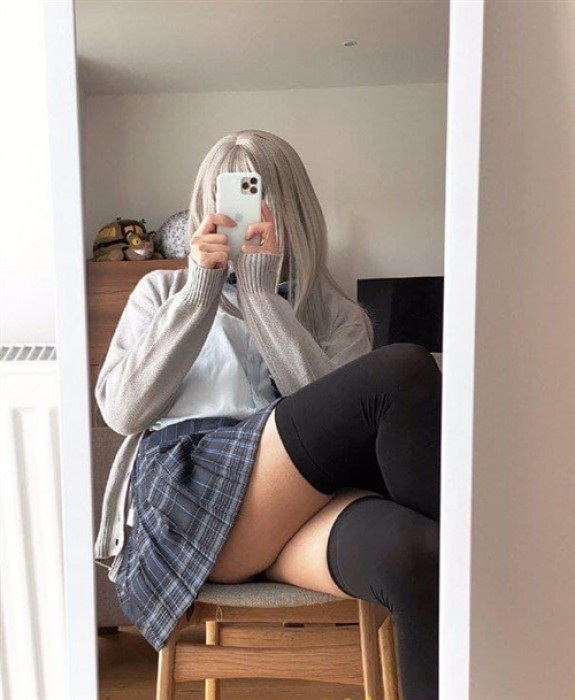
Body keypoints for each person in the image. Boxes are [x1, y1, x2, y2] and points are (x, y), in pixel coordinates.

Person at [93, 129, 441, 700]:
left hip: (290, 515)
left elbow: (345, 436)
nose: (242, 215)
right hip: (188, 500)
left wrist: (262, 298)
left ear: (292, 210)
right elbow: (122, 412)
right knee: (404, 368)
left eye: (258, 197)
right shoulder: (162, 291)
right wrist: (200, 295)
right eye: (227, 197)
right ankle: (489, 581)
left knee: (416, 551)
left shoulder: (336, 314)